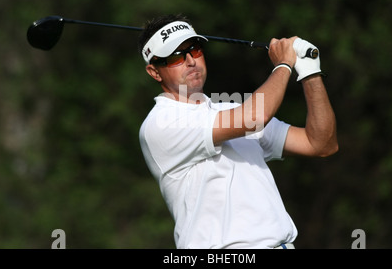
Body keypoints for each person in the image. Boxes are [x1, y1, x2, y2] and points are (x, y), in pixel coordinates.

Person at [138, 14, 338, 249]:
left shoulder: (231, 110)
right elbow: (256, 117)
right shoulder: (160, 123)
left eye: (195, 49)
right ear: (154, 72)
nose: (191, 61)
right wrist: (284, 65)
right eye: (175, 58)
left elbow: (321, 144)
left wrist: (310, 73)